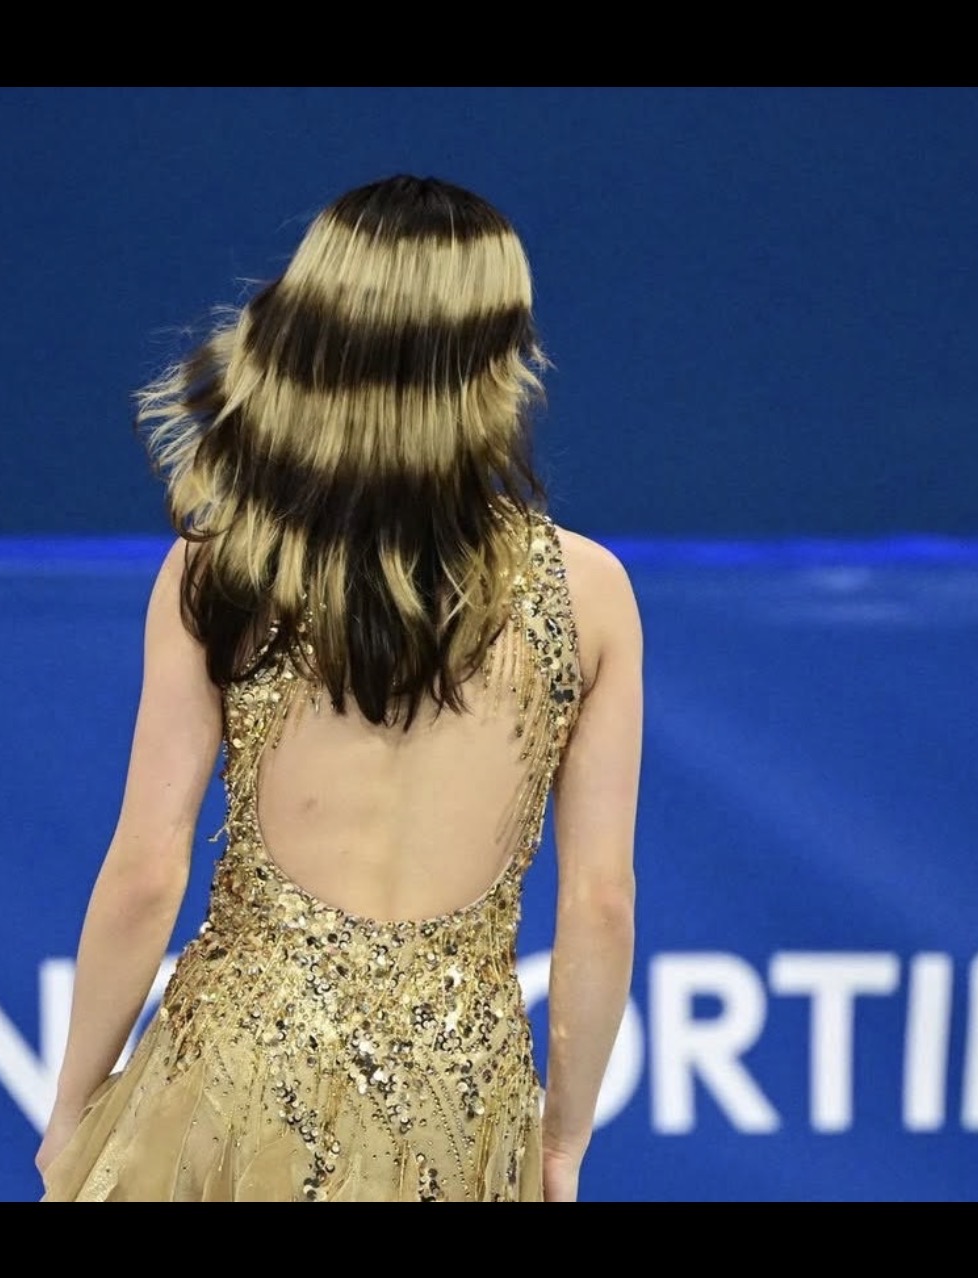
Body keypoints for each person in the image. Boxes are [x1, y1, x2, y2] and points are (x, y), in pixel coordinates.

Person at [35, 174, 642, 1202]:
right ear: (500, 352)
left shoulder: (226, 569)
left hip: (232, 1085)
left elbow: (146, 870)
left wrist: (72, 1108)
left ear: (319, 330)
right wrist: (564, 1140)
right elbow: (600, 901)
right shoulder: (591, 594)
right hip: (458, 1105)